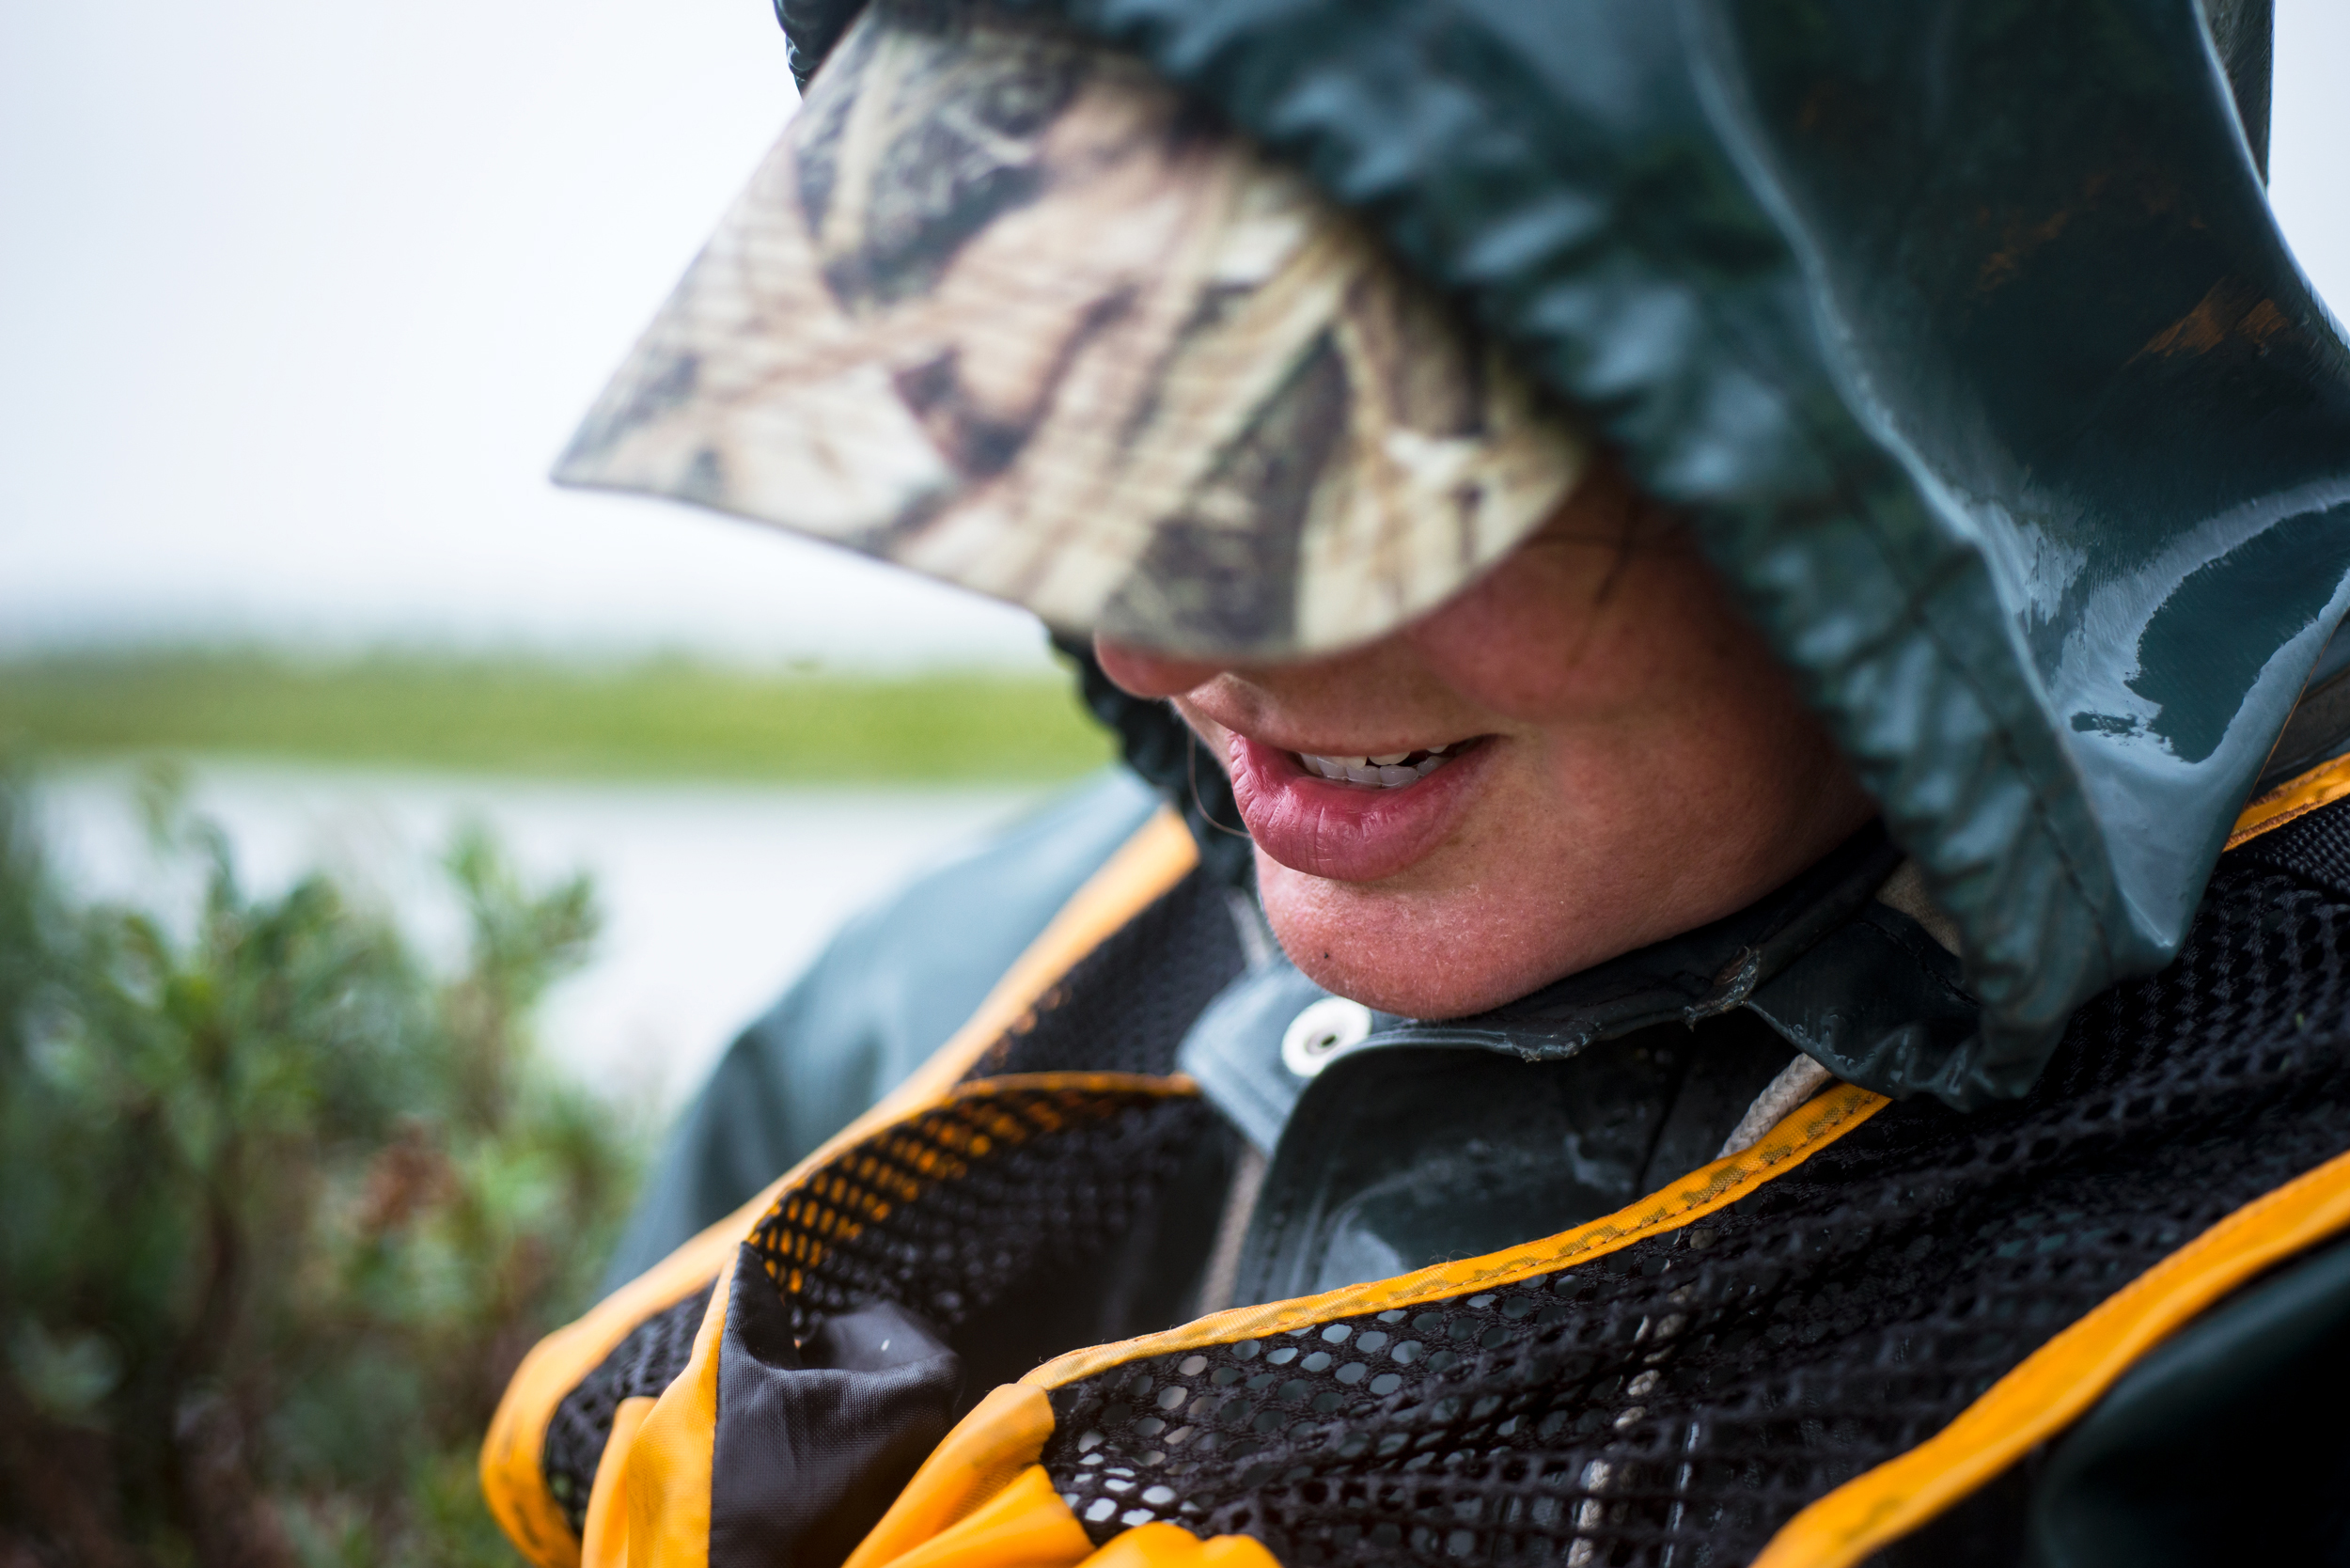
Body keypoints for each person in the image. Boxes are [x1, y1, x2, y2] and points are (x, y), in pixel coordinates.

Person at [481, 1, 2350, 1564]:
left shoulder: (2270, 1326)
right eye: (1114, 387)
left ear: (1939, 344)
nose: (1146, 647)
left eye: (1384, 439)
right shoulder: (915, 1016)